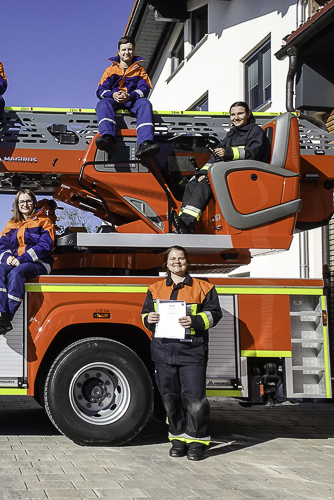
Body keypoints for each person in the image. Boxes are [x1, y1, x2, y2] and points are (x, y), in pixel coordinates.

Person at [141, 246, 222, 461]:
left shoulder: (204, 287)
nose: (177, 262)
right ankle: (177, 439)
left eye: (181, 258)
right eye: (173, 259)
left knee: (195, 399)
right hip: (164, 352)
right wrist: (149, 319)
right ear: (166, 263)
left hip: (192, 352)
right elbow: (145, 315)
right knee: (170, 399)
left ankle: (197, 442)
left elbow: (215, 314)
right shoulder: (154, 288)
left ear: (187, 262)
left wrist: (195, 321)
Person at [177, 101, 270, 233]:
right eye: (232, 115)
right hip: (229, 172)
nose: (236, 118)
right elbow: (215, 157)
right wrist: (202, 173)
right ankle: (182, 222)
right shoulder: (232, 133)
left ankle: (187, 224)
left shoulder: (255, 131)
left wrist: (229, 153)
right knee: (192, 183)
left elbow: (253, 153)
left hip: (245, 174)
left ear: (248, 114)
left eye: (240, 114)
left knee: (207, 182)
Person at [0, 190, 56, 335]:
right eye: (22, 202)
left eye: (28, 201)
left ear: (34, 203)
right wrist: (8, 258)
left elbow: (44, 246)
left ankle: (7, 318)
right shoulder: (11, 223)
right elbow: (2, 246)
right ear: (17, 205)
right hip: (16, 261)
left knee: (16, 274)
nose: (25, 204)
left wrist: (21, 259)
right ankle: (0, 315)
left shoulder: (44, 221)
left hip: (40, 263)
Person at [95, 35, 159, 159]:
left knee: (145, 103)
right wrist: (112, 94)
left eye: (130, 49)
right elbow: (100, 91)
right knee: (103, 104)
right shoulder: (110, 70)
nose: (127, 52)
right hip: (114, 99)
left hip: (132, 100)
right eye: (124, 50)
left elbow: (144, 89)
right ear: (119, 52)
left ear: (134, 51)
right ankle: (108, 138)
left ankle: (145, 144)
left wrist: (130, 96)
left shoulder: (140, 70)